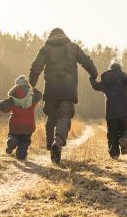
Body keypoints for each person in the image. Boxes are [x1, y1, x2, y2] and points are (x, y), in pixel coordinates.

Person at [29, 28, 98, 164]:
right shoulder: (73, 47)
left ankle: (51, 146)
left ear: (50, 36)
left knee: (51, 117)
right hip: (68, 89)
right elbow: (86, 61)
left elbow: (36, 66)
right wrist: (94, 74)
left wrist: (32, 83)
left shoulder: (46, 48)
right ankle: (58, 141)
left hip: (51, 90)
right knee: (64, 116)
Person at [90, 62, 127, 159]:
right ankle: (124, 138)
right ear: (119, 69)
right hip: (125, 108)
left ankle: (114, 154)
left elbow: (95, 86)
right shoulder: (122, 75)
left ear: (110, 69)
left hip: (111, 110)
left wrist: (91, 78)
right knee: (124, 128)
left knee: (112, 132)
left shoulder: (105, 80)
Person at [0, 75, 42, 160]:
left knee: (13, 135)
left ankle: (12, 141)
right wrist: (34, 87)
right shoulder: (32, 98)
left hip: (15, 126)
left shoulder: (12, 99)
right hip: (28, 126)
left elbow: (2, 108)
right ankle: (21, 154)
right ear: (27, 85)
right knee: (25, 141)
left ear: (16, 86)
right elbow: (39, 95)